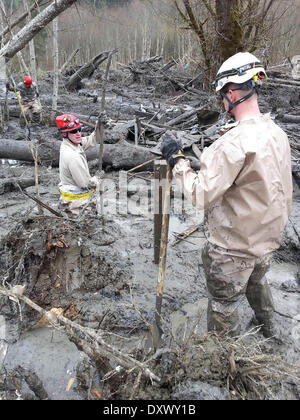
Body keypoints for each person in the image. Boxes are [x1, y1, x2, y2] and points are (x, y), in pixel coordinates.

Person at [160, 52, 293, 338]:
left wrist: (177, 160)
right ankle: (270, 329)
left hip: (232, 250)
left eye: (223, 95)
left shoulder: (232, 143)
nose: (222, 102)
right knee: (257, 283)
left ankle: (225, 363)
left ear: (232, 93)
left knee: (223, 307)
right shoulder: (277, 133)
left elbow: (200, 194)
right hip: (266, 243)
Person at [56, 114, 101, 216]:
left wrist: (100, 126)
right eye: (73, 131)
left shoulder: (73, 144)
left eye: (79, 129)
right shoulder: (73, 157)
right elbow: (85, 184)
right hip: (77, 202)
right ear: (64, 134)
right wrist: (98, 179)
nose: (78, 133)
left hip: (72, 195)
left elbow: (93, 139)